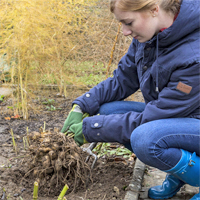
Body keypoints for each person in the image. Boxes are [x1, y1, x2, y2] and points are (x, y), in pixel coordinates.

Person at [61, 0, 200, 199]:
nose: (125, 31)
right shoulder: (150, 36)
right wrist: (82, 104)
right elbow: (122, 80)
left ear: (154, 10)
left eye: (128, 22)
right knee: (108, 111)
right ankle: (181, 174)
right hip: (180, 118)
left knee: (145, 138)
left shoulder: (195, 55)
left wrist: (91, 128)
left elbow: (157, 116)